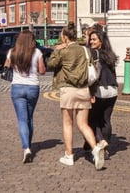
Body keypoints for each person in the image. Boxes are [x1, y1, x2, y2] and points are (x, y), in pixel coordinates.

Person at [47, 22, 105, 169]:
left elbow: (51, 64)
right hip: (84, 89)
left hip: (68, 90)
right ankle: (95, 148)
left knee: (68, 123)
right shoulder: (85, 50)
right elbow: (92, 70)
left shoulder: (63, 51)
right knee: (83, 124)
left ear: (65, 37)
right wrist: (92, 92)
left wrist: (56, 50)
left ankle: (69, 155)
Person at [3, 29, 46, 164]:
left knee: (22, 119)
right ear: (31, 40)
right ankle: (29, 144)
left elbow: (6, 66)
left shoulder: (12, 52)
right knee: (29, 118)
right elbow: (42, 71)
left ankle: (26, 147)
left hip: (17, 88)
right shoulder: (37, 52)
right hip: (33, 87)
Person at [86, 25, 118, 151]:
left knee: (91, 119)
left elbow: (92, 76)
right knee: (106, 119)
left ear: (101, 41)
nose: (92, 42)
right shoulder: (110, 54)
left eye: (94, 39)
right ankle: (105, 147)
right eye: (91, 39)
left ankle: (101, 141)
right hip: (112, 91)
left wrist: (91, 92)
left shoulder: (93, 53)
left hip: (99, 90)